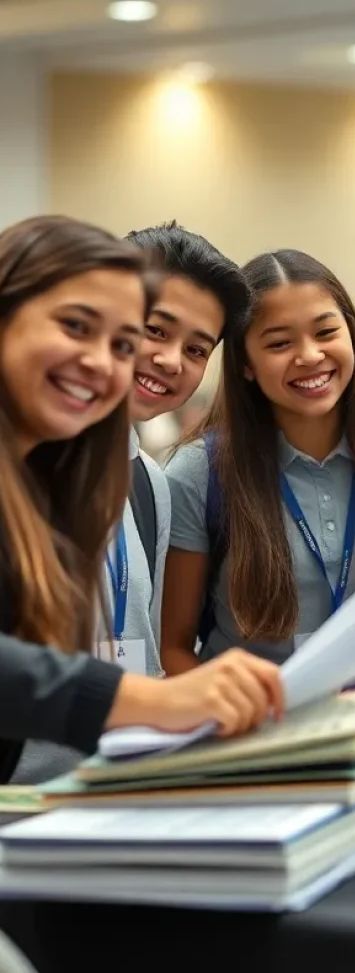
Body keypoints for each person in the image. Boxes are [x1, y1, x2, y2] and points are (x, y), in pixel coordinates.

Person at [0, 215, 284, 784]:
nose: (167, 360)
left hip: (98, 794)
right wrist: (143, 701)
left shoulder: (145, 483)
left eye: (121, 341)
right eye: (77, 326)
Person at [162, 250, 355, 734]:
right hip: (253, 750)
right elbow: (173, 646)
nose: (310, 355)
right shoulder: (199, 473)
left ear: (352, 335)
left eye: (326, 332)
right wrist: (241, 719)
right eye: (279, 342)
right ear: (245, 364)